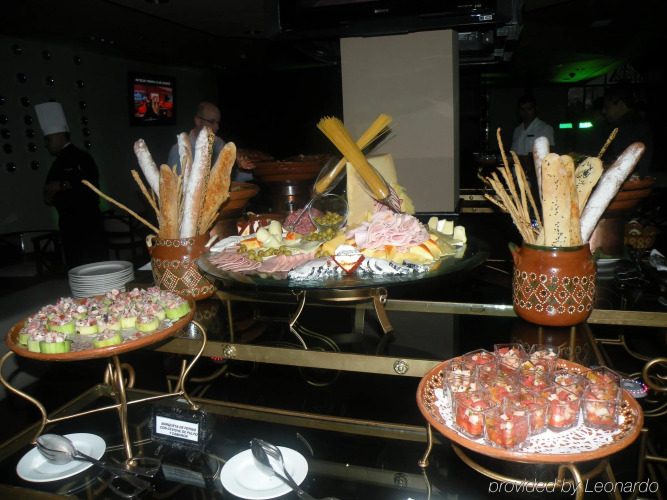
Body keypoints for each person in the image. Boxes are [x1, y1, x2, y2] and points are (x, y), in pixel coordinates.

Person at [36, 102, 108, 270]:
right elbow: (48, 191)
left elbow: (91, 185)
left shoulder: (82, 157)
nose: (46, 144)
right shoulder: (57, 163)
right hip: (69, 225)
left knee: (95, 265)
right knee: (77, 267)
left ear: (58, 136)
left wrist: (63, 185)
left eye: (48, 139)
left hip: (88, 223)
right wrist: (50, 193)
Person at [166, 101, 252, 182]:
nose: (217, 127)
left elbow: (231, 178)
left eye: (218, 122)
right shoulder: (178, 150)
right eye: (212, 122)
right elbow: (172, 186)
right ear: (198, 121)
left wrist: (254, 174)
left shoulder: (219, 143)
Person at [601, 81, 653, 177]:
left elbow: (620, 161)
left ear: (620, 104)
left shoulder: (628, 127)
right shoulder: (635, 122)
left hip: (627, 181)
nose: (603, 111)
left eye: (607, 107)